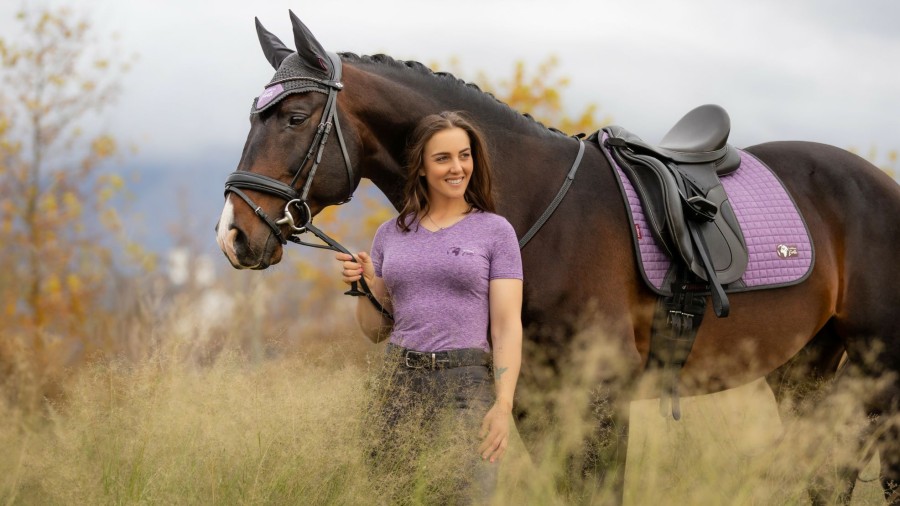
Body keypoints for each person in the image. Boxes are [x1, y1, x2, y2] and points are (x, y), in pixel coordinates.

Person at [335, 111, 523, 502]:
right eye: (443, 158)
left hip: (465, 387)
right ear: (420, 167)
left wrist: (503, 404)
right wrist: (364, 286)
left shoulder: (495, 231)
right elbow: (375, 331)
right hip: (396, 388)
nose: (458, 168)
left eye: (464, 155)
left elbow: (506, 327)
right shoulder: (390, 233)